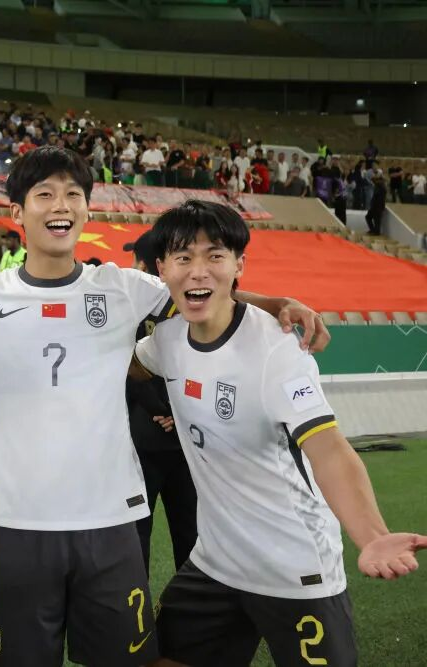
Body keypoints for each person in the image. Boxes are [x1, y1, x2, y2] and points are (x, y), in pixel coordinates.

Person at [0, 146, 330, 667]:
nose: (61, 205)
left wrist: (277, 303)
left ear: (87, 209)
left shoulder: (122, 287)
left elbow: (200, 289)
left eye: (73, 194)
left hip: (113, 521)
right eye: (45, 194)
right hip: (21, 523)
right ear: (17, 212)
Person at [135, 200, 427, 667]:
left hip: (295, 566)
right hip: (216, 562)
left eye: (215, 256)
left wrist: (371, 535)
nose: (198, 271)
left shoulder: (277, 350)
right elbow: (126, 366)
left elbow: (328, 449)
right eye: (183, 257)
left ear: (239, 265)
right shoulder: (166, 341)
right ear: (162, 269)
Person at [123, 230, 196, 574]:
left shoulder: (131, 305)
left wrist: (160, 411)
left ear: (143, 265)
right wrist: (178, 413)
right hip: (188, 434)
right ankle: (194, 601)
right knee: (190, 529)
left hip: (144, 435)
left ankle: (135, 602)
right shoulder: (195, 305)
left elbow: (129, 370)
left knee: (139, 528)